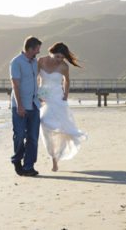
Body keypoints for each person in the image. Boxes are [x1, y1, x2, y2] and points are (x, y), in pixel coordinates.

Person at [38, 42, 87, 172]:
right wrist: (36, 93)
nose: (60, 59)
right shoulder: (41, 61)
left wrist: (66, 94)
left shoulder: (64, 66)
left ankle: (56, 159)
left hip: (58, 98)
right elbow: (35, 77)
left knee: (62, 129)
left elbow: (67, 80)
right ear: (51, 52)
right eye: (57, 56)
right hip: (43, 97)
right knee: (44, 124)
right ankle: (53, 157)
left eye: (62, 57)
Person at [9, 36, 42, 176]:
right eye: (37, 50)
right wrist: (20, 106)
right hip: (20, 105)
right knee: (20, 135)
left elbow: (36, 81)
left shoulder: (35, 62)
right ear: (30, 49)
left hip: (34, 104)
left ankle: (29, 166)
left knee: (33, 137)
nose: (38, 53)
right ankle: (17, 160)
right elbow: (15, 85)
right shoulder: (16, 62)